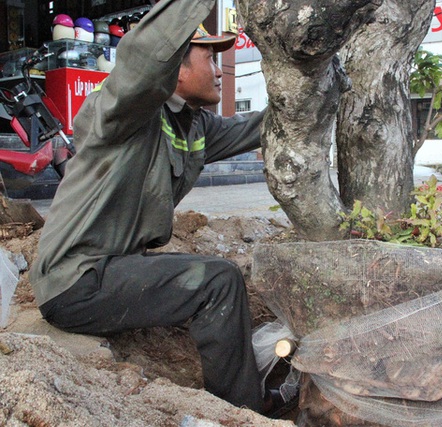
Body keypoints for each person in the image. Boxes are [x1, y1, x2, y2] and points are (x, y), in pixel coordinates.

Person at [30, 1, 287, 416]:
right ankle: (243, 411)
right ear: (175, 68)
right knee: (218, 281)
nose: (220, 69)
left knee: (215, 274)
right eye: (210, 57)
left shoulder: (192, 124)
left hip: (112, 270)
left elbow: (257, 127)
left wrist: (321, 91)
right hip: (76, 279)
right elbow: (143, 59)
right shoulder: (126, 112)